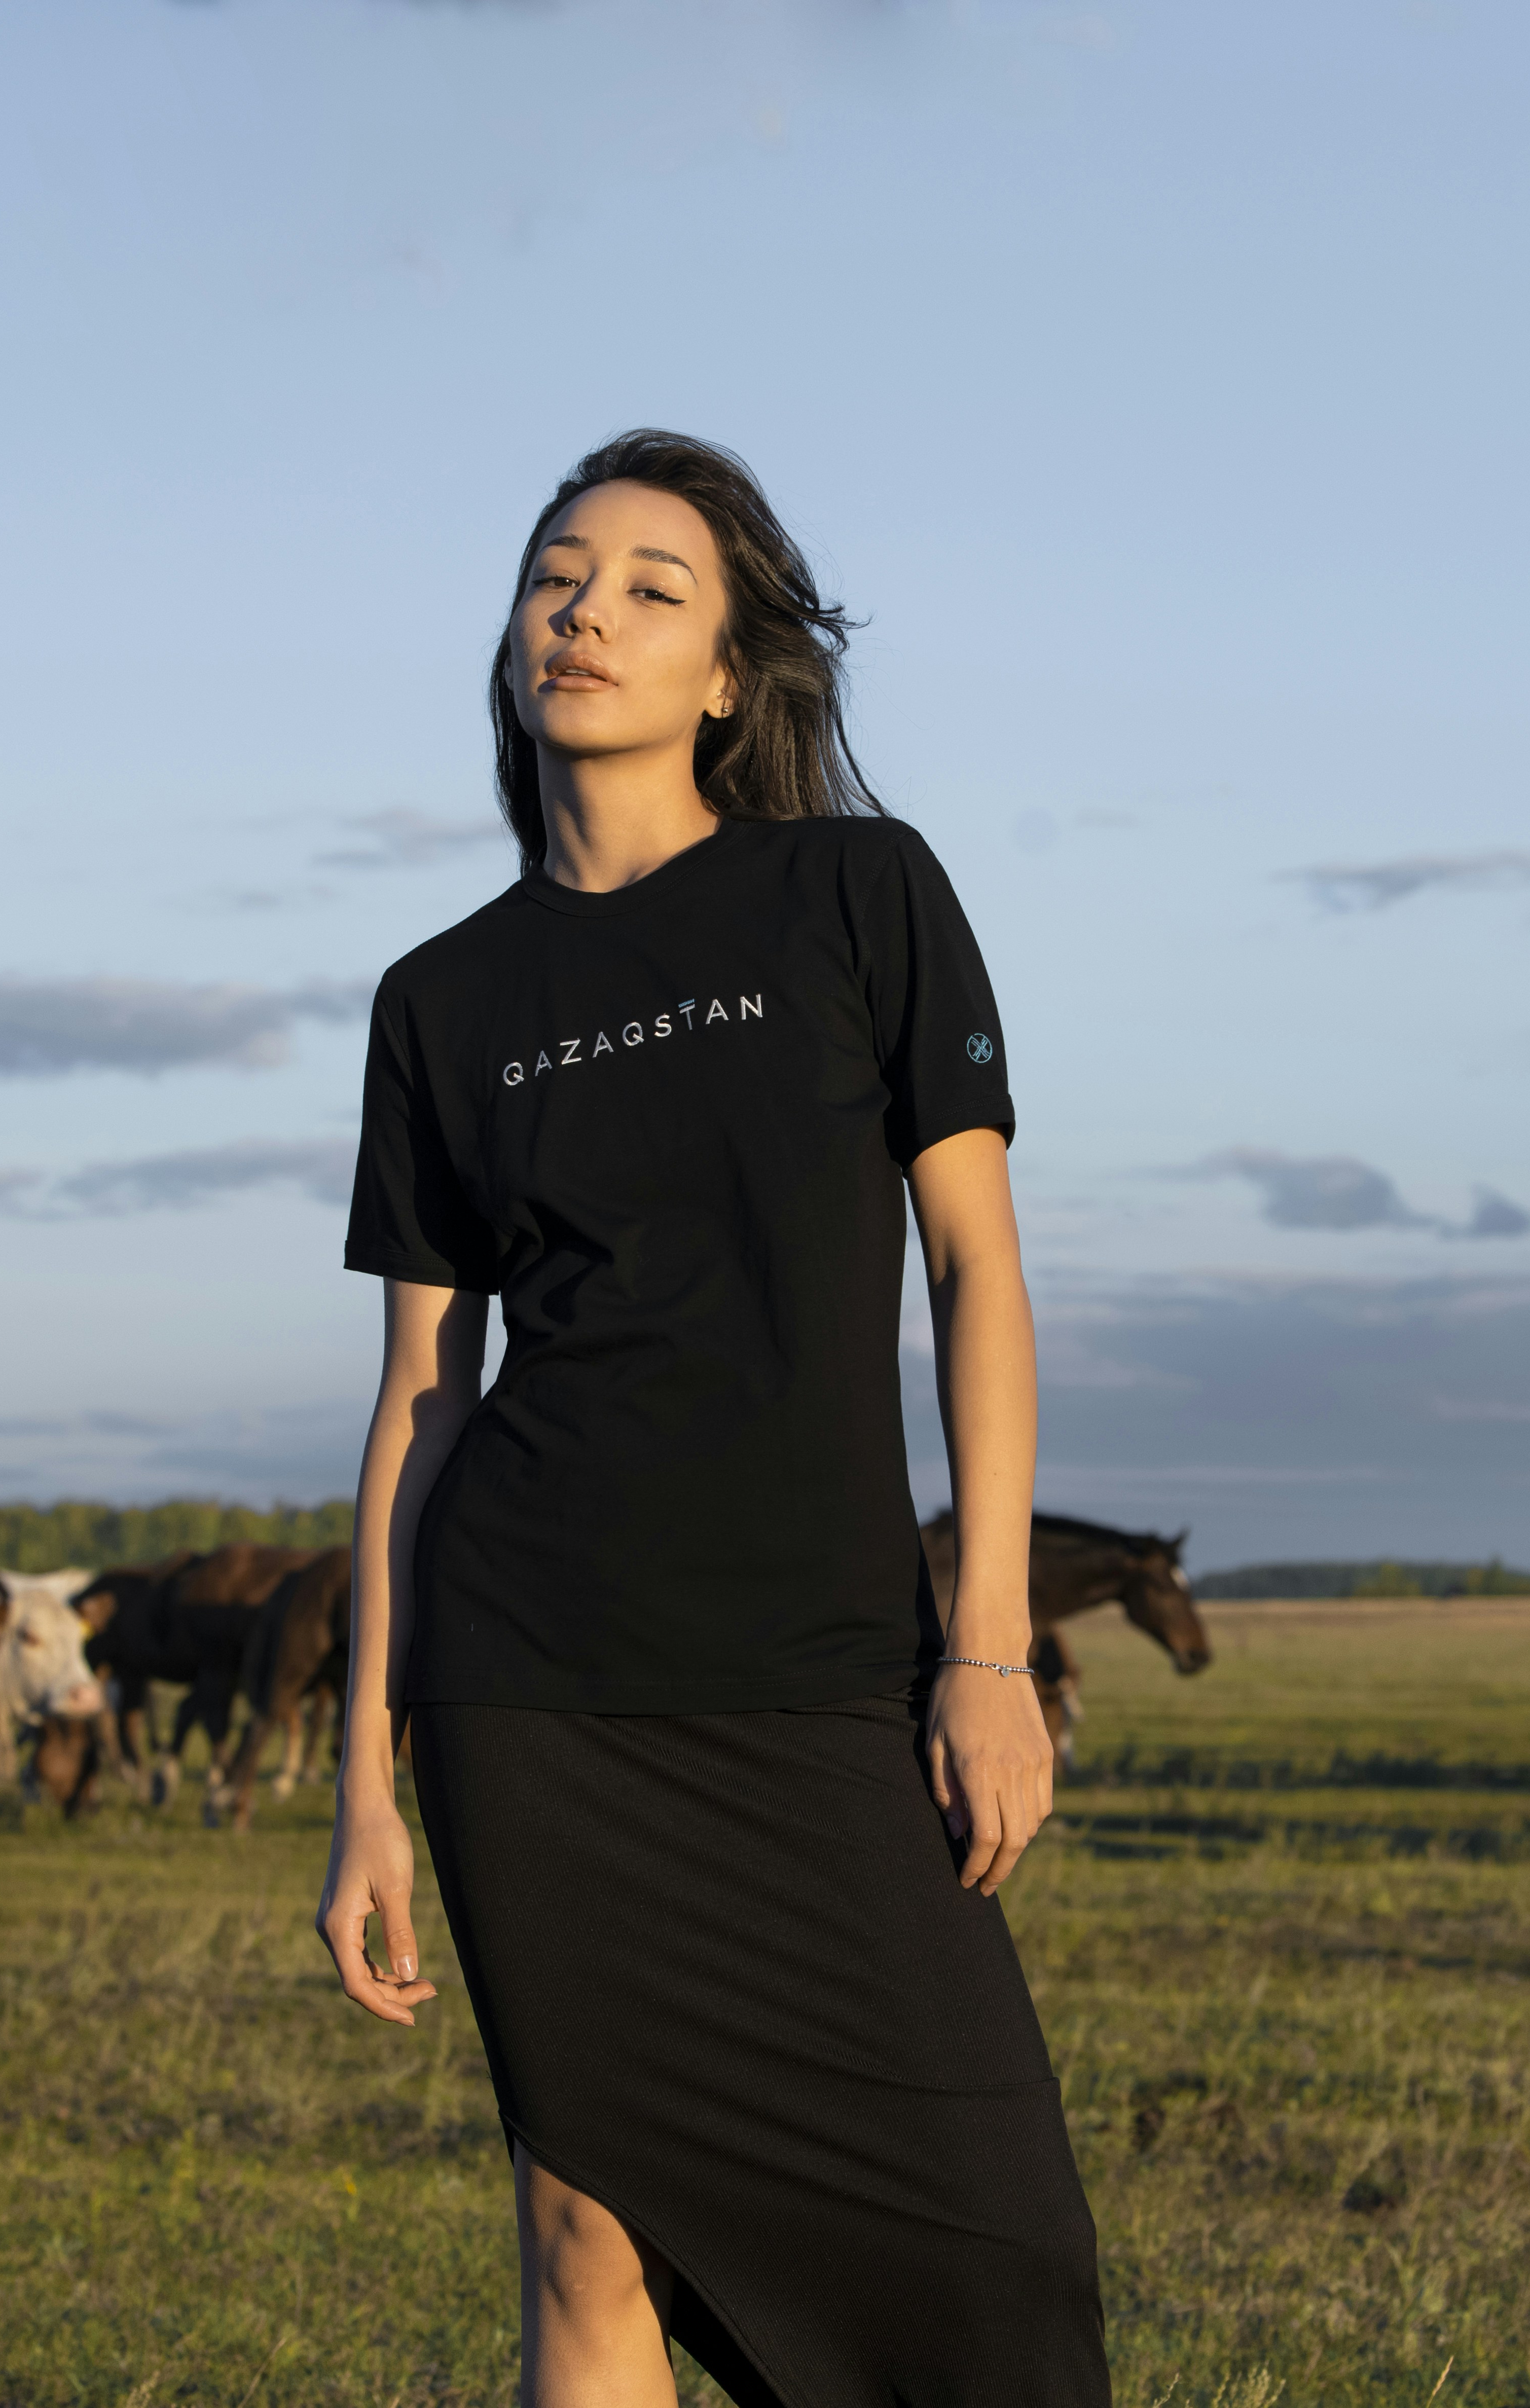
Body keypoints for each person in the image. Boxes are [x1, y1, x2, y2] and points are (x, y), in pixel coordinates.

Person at [318, 429, 1107, 2407]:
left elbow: (980, 1274)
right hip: (533, 1685)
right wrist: (362, 1786)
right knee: (590, 2241)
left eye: (652, 589)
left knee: (1007, 2269)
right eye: (555, 576)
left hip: (825, 1673)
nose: (587, 613)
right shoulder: (443, 1001)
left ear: (730, 676)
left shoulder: (857, 892)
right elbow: (423, 1401)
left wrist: (987, 1645)